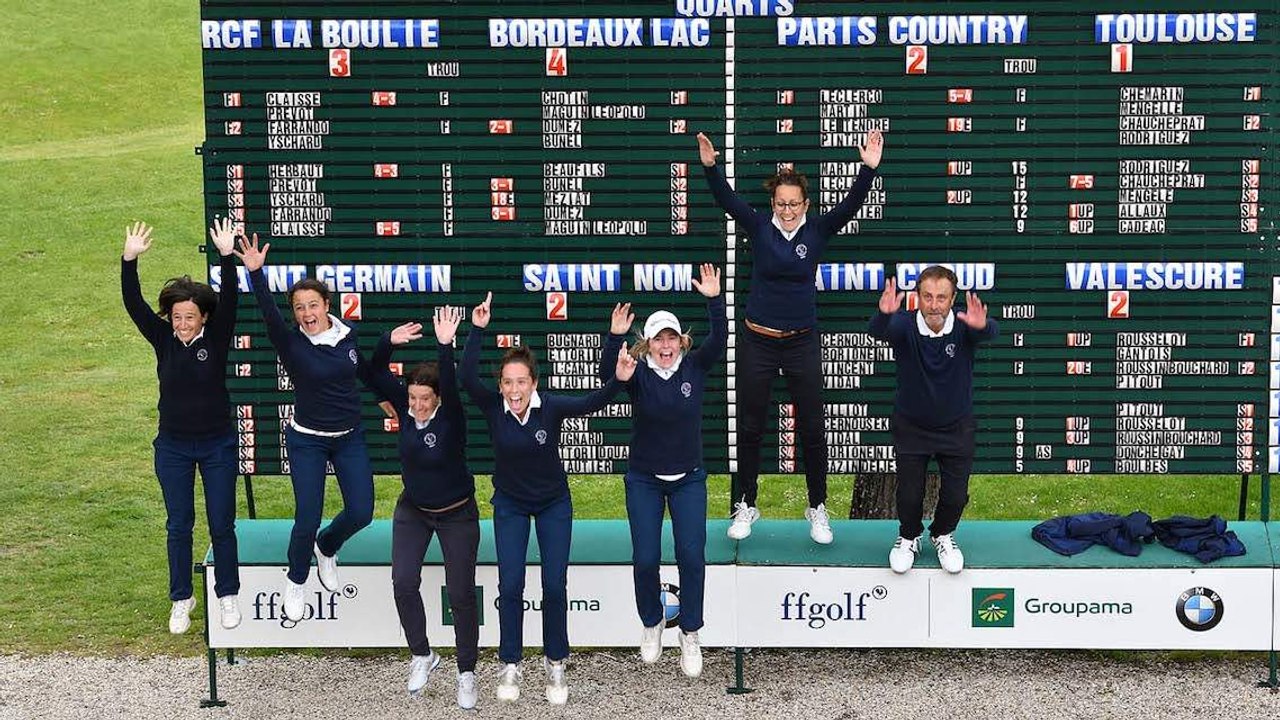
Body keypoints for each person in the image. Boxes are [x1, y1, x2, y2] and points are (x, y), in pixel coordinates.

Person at [697, 129, 884, 544]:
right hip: (758, 340)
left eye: (794, 203)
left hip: (801, 341)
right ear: (772, 203)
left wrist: (868, 169)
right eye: (781, 203)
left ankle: (817, 507)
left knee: (814, 429)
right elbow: (726, 200)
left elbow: (851, 206)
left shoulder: (817, 231)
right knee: (750, 426)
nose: (786, 210)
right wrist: (710, 167)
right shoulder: (759, 225)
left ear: (806, 204)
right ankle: (746, 503)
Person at [460, 292, 634, 706]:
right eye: (507, 382)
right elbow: (466, 379)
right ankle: (510, 664)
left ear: (533, 383)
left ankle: (555, 662)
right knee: (512, 582)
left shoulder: (550, 407)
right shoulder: (492, 406)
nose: (514, 389)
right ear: (500, 385)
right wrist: (477, 330)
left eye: (522, 382)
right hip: (510, 504)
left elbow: (593, 402)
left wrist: (618, 373)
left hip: (554, 502)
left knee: (554, 584)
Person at [234, 235, 376, 621]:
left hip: (349, 438)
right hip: (307, 441)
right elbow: (267, 312)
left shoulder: (348, 336)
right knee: (307, 516)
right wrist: (255, 272)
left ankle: (327, 547)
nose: (307, 313)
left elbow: (361, 370)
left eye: (313, 305)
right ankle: (296, 579)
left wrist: (384, 391)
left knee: (362, 512)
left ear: (327, 306)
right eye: (299, 308)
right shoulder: (290, 342)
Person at [601, 263, 726, 678]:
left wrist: (713, 300)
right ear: (648, 343)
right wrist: (614, 338)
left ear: (680, 341)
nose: (666, 345)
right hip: (644, 479)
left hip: (688, 477)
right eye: (659, 338)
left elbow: (721, 339)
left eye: (672, 337)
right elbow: (611, 379)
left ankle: (690, 630)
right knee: (645, 558)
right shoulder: (637, 374)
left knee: (691, 555)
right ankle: (652, 621)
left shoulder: (695, 366)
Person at [121, 218, 242, 633]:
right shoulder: (162, 339)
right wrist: (129, 260)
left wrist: (227, 257)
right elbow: (134, 305)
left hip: (217, 446)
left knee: (222, 521)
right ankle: (181, 598)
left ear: (203, 318)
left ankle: (227, 593)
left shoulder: (217, 336)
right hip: (172, 447)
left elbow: (231, 302)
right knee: (179, 523)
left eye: (189, 317)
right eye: (176, 317)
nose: (182, 323)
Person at [365, 308, 480, 710]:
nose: (416, 405)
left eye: (424, 399)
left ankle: (466, 672)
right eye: (412, 398)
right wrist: (386, 342)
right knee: (402, 581)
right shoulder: (405, 405)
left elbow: (449, 381)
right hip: (413, 509)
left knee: (462, 593)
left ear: (438, 399)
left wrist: (445, 345)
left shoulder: (451, 418)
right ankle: (422, 654)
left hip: (457, 512)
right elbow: (371, 374)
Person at [869, 265, 999, 574]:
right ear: (917, 298)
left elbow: (991, 331)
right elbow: (876, 331)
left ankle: (942, 533)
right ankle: (908, 536)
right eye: (927, 296)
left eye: (941, 297)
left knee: (956, 496)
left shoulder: (966, 326)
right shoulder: (903, 326)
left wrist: (983, 327)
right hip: (912, 427)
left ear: (953, 298)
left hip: (957, 427)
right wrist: (884, 315)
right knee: (909, 495)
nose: (934, 304)